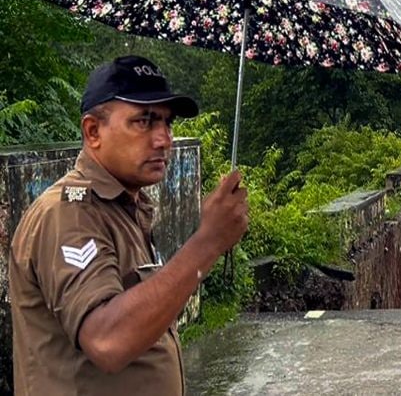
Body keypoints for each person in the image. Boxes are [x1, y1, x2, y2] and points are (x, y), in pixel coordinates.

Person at [8, 55, 250, 395]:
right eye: (144, 121)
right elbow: (108, 340)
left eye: (167, 123)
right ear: (93, 132)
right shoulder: (67, 214)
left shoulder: (125, 208)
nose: (163, 139)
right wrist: (208, 243)